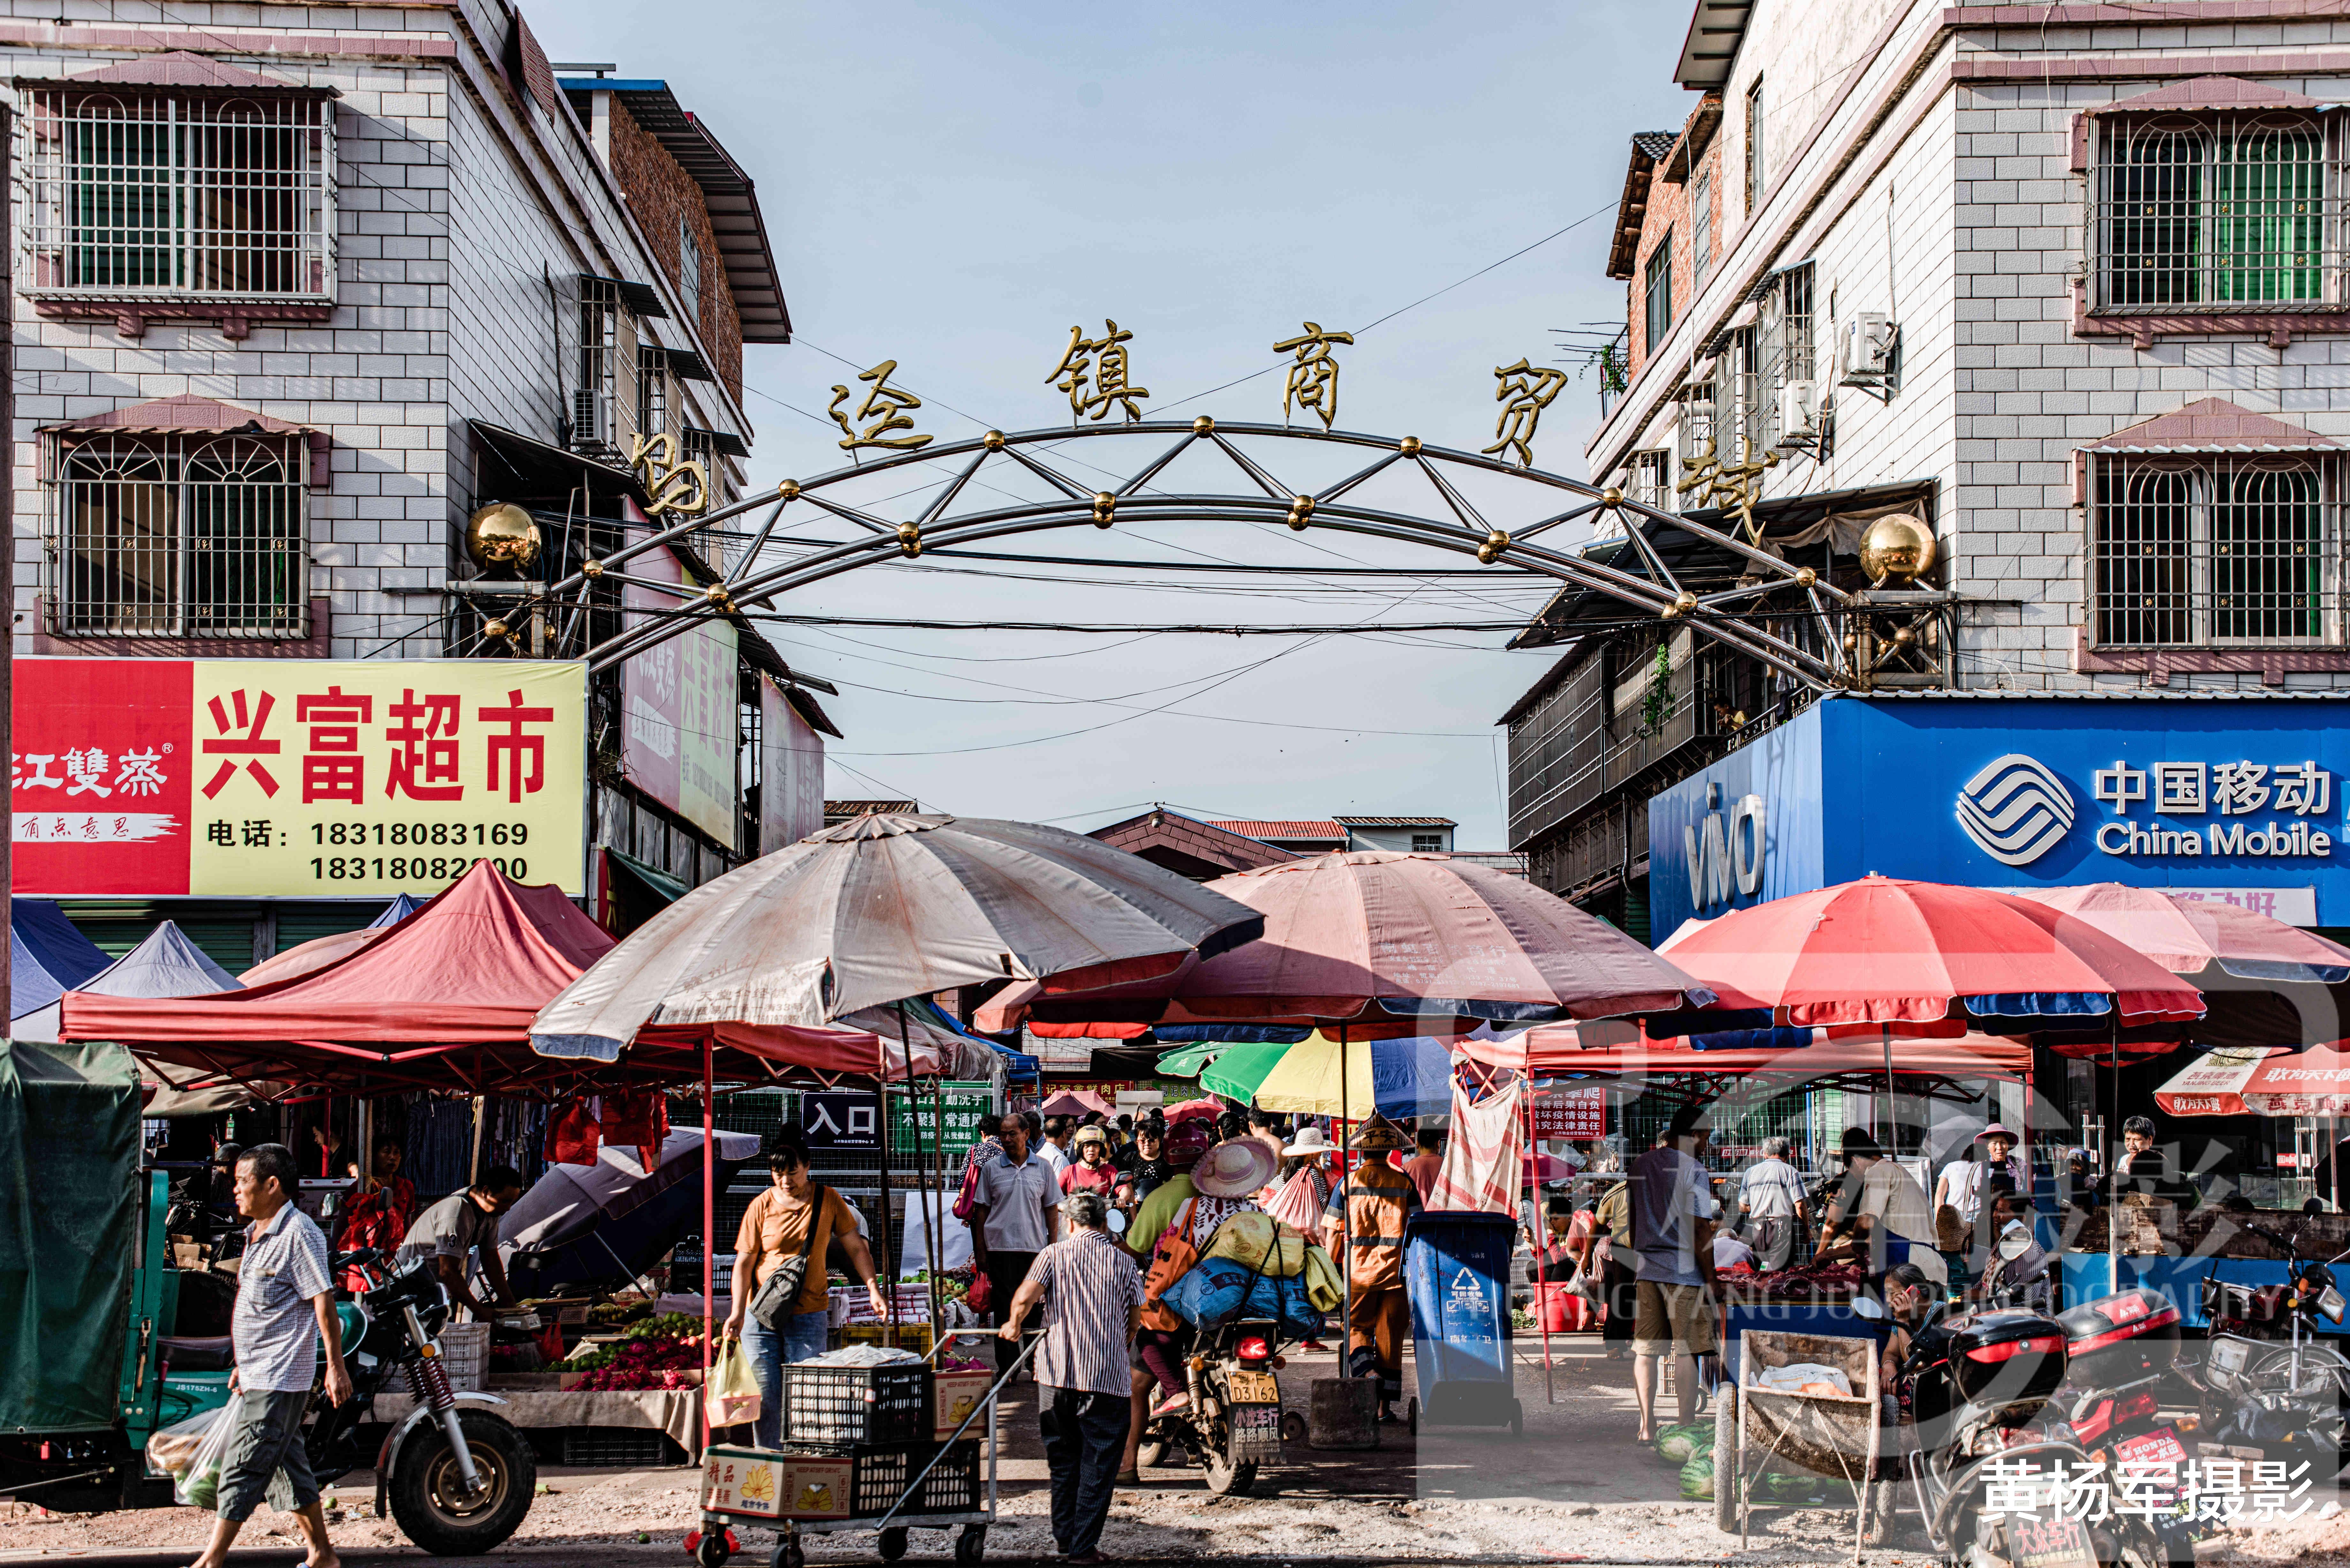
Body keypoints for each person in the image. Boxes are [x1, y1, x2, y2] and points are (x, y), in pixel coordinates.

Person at [189, 1143, 352, 1568]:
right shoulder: (257, 1234)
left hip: (280, 1377)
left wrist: (335, 1367)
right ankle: (322, 1554)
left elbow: (323, 1304)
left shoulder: (299, 1234)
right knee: (288, 1466)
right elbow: (262, 1311)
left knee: (244, 1464)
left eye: (243, 1181)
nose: (236, 1190)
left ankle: (211, 1560)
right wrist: (243, 1364)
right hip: (259, 1373)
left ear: (273, 1184)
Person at [998, 1192, 1141, 1564]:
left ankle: (1065, 1539)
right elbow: (1134, 1321)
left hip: (1056, 1375)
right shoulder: (1124, 1262)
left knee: (1063, 1460)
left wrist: (1014, 1325)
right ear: (1103, 1223)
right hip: (1107, 1380)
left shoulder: (1052, 1255)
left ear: (1071, 1223)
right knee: (1099, 1464)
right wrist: (1114, 1342)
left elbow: (1023, 1299)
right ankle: (1082, 1548)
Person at [723, 1135, 887, 1449]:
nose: (786, 1181)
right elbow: (743, 1263)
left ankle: (802, 1464)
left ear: (807, 1167)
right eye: (778, 1173)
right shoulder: (761, 1206)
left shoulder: (828, 1201)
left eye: (793, 1172)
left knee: (807, 1393)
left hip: (809, 1313)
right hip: (761, 1315)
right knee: (767, 1395)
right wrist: (737, 1311)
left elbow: (856, 1247)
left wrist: (873, 1289)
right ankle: (770, 1466)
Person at [1118, 1117, 1218, 1482]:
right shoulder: (1228, 1195)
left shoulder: (1160, 1198)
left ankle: (1128, 1464)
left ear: (1169, 1158)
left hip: (1175, 1304)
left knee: (1139, 1381)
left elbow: (1135, 1248)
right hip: (1230, 1298)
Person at [1322, 1114, 1419, 1424]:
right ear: (1391, 1150)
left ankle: (1367, 1371)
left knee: (1356, 1330)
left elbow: (1334, 1233)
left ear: (1361, 1151)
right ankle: (1383, 1409)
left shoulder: (1347, 1183)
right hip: (1396, 1274)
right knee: (1390, 1338)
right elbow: (1417, 1230)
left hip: (1358, 1275)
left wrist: (1327, 1270)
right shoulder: (1404, 1182)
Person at [1629, 1105, 1718, 1443]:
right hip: (1684, 1272)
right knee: (1685, 1349)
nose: (1706, 1146)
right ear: (1693, 1135)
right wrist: (1712, 1278)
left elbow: (1634, 1220)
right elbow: (1699, 1228)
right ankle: (1684, 1426)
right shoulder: (1693, 1169)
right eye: (1705, 1138)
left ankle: (1647, 1426)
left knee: (1646, 1350)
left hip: (1647, 1269)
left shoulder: (1641, 1164)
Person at [970, 1112, 1064, 1374]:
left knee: (1034, 1310)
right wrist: (980, 1251)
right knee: (1004, 1310)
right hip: (1000, 1249)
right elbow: (981, 1213)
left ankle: (1037, 1365)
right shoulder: (991, 1169)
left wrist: (1052, 1247)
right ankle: (1008, 1369)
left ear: (1026, 1134)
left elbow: (1052, 1210)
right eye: (1003, 1134)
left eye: (1013, 1134)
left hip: (1034, 1250)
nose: (1007, 1139)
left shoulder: (1043, 1167)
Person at [1821, 1130, 1947, 1288]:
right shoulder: (1902, 1173)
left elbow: (1866, 1222)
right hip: (1928, 1264)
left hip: (1907, 1267)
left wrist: (1847, 1248)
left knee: (1898, 1310)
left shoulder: (1878, 1172)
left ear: (1856, 1161)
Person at [395, 1166, 525, 1318]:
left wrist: (508, 1300)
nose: (508, 1208)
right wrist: (478, 1309)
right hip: (410, 1289)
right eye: (505, 1201)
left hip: (434, 1288)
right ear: (486, 1192)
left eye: (512, 1202)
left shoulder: (493, 1209)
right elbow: (448, 1271)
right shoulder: (457, 1211)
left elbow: (490, 1257)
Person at [1935, 1123, 2025, 1286]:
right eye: (1995, 1144)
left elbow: (2026, 1195)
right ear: (1987, 1148)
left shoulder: (2019, 1165)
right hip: (1983, 1230)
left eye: (2003, 1143)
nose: (2000, 1148)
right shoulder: (1983, 1168)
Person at [331, 1135, 416, 1289]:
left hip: (394, 1257)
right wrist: (334, 1253)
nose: (393, 1157)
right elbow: (341, 1222)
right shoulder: (361, 1187)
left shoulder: (406, 1188)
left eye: (397, 1153)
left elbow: (408, 1224)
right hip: (363, 1256)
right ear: (375, 1156)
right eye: (387, 1152)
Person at [1736, 1136, 1809, 1272]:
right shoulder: (1790, 1171)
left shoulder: (1750, 1173)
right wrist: (1807, 1231)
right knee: (1780, 1273)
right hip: (1781, 1228)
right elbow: (1800, 1205)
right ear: (1787, 1156)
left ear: (1765, 1154)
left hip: (1758, 1228)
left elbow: (1743, 1207)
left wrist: (1762, 1206)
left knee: (1763, 1270)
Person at [1594, 1172, 1638, 1359]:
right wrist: (1588, 1257)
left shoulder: (1659, 1190)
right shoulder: (1616, 1194)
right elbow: (1597, 1226)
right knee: (1622, 1294)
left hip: (1652, 1248)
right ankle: (1614, 1343)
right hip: (1624, 1249)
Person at [1878, 1261, 1937, 1397]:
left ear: (1914, 1293)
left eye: (1892, 1293)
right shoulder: (1903, 1315)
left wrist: (1902, 1321)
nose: (1888, 1300)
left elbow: (1917, 1367)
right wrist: (1888, 1366)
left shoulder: (1939, 1316)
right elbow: (1890, 1354)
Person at [2115, 1116, 2192, 1207]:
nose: (2131, 1144)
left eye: (2137, 1140)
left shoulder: (2158, 1161)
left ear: (2150, 1140)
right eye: (2128, 1139)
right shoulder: (2123, 1160)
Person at [1061, 1125, 1120, 1200]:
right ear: (1080, 1149)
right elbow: (1055, 1195)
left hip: (1102, 1211)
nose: (1091, 1150)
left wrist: (1122, 1199)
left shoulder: (1110, 1170)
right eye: (1087, 1146)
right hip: (1075, 1211)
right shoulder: (1069, 1171)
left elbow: (1123, 1190)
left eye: (1096, 1146)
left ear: (1101, 1149)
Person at [1402, 1125, 1445, 1204]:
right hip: (1444, 1216)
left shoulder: (1406, 1169)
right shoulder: (1449, 1166)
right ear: (1438, 1144)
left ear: (1417, 1144)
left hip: (1415, 1216)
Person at [1035, 1115, 1074, 1181]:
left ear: (1045, 1136)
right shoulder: (1060, 1159)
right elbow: (1059, 1187)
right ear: (1064, 1134)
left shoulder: (1038, 1155)